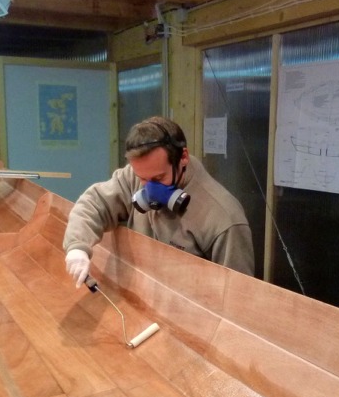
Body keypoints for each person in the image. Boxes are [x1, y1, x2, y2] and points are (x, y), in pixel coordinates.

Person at [63, 116, 254, 286]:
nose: (148, 189)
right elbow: (94, 204)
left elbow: (239, 298)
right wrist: (78, 247)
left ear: (183, 158)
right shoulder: (134, 177)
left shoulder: (224, 220)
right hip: (143, 298)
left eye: (158, 179)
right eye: (142, 178)